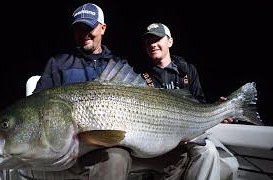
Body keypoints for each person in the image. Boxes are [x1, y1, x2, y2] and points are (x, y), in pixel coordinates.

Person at [30, 3, 132, 180]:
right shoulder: (58, 64)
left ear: (103, 28)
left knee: (177, 157)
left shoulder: (118, 66)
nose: (83, 34)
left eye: (89, 28)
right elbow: (35, 108)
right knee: (115, 159)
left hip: (111, 144)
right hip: (69, 152)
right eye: (78, 29)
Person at [138, 22, 239, 180]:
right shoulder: (139, 77)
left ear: (170, 41)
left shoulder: (187, 70)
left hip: (190, 133)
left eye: (157, 39)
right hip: (161, 138)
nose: (153, 44)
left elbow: (199, 104)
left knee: (216, 156)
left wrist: (219, 111)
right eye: (149, 41)